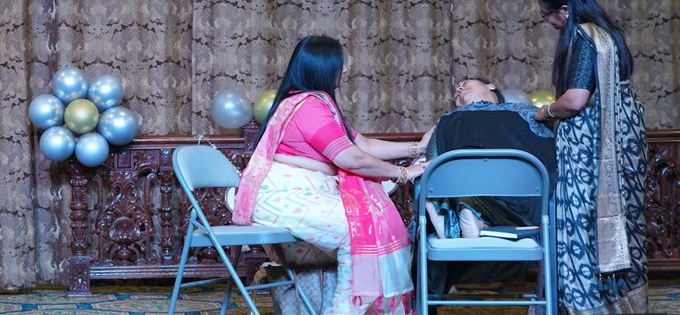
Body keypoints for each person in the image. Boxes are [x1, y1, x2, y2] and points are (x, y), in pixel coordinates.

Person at [233, 35, 429, 315]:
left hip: (302, 191)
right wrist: (403, 173)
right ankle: (345, 309)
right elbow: (353, 159)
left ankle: (349, 307)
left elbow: (363, 146)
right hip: (284, 195)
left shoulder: (313, 102)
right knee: (360, 229)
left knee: (368, 223)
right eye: (341, 63)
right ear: (324, 67)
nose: (346, 69)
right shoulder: (309, 106)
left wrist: (417, 147)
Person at [534, 0, 648, 314]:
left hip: (591, 148)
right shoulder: (609, 34)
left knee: (582, 222)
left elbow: (575, 101)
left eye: (547, 14)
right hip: (623, 139)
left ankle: (586, 304)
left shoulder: (584, 36)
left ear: (565, 10)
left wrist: (545, 112)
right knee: (622, 221)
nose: (549, 22)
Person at [419, 77, 557, 295]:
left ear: (491, 86)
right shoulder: (446, 121)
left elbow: (431, 164)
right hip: (523, 210)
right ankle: (476, 219)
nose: (458, 89)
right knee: (449, 178)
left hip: (514, 204)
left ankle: (460, 218)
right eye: (455, 92)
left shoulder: (532, 113)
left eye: (465, 82)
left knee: (439, 182)